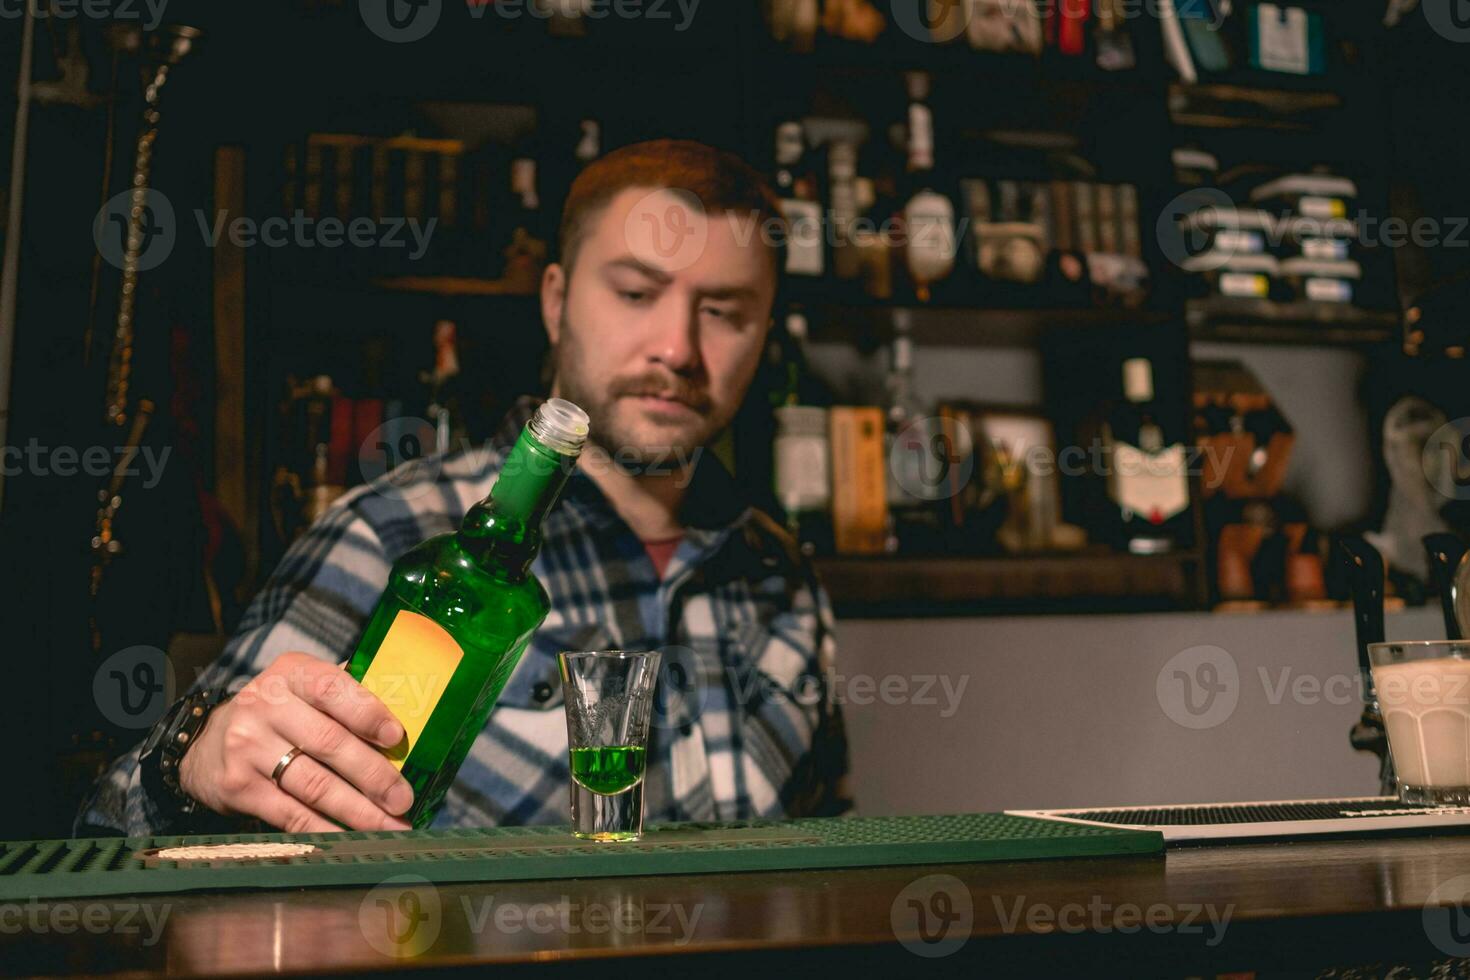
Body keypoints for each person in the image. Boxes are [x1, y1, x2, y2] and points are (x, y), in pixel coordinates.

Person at [77, 139, 851, 836]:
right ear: (555, 302)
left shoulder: (783, 578)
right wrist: (191, 765)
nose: (679, 348)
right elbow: (111, 828)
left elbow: (826, 842)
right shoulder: (397, 538)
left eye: (723, 311)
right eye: (636, 294)